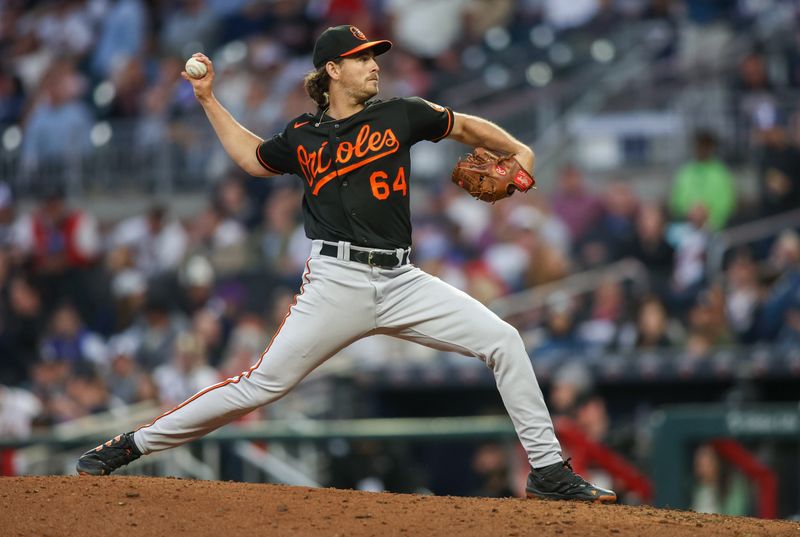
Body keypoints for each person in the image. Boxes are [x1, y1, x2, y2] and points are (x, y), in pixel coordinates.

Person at [76, 25, 615, 503]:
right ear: (332, 70)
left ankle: (547, 470)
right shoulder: (302, 136)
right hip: (335, 281)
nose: (373, 63)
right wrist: (209, 100)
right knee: (261, 385)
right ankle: (130, 444)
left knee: (505, 341)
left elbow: (467, 127)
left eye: (374, 56)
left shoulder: (402, 113)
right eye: (361, 58)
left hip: (403, 279)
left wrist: (521, 151)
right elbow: (251, 157)